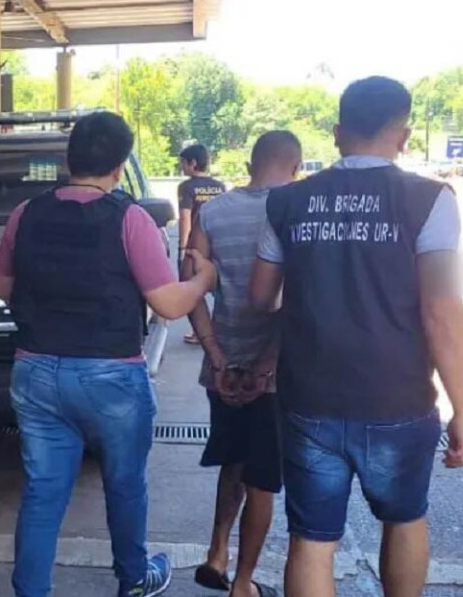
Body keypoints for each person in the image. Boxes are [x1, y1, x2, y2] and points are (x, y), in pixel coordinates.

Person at [250, 76, 463, 597]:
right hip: (398, 397)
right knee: (405, 519)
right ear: (404, 136)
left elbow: (261, 297)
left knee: (312, 540)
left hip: (309, 397)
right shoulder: (429, 200)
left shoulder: (287, 201)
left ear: (337, 133)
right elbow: (442, 311)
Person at [0, 111, 216, 597]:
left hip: (35, 370)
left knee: (43, 491)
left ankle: (30, 591)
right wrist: (204, 280)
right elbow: (168, 303)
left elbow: (4, 287)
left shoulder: (24, 214)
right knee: (124, 484)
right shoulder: (130, 219)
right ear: (118, 166)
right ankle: (133, 579)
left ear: (69, 158)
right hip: (110, 376)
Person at [184, 131, 302, 597]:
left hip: (224, 369)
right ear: (295, 167)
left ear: (251, 165)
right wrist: (267, 365)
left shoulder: (213, 212)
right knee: (263, 481)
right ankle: (244, 583)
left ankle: (217, 553)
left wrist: (215, 354)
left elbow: (191, 289)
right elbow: (298, 297)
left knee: (232, 461)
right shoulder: (298, 210)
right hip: (273, 373)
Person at [176, 144, 226, 345]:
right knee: (220, 288)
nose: (181, 167)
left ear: (193, 163)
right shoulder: (219, 186)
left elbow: (185, 218)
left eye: (183, 163)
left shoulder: (186, 187)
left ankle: (200, 332)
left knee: (194, 287)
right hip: (218, 241)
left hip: (197, 245)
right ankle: (219, 330)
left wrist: (183, 248)